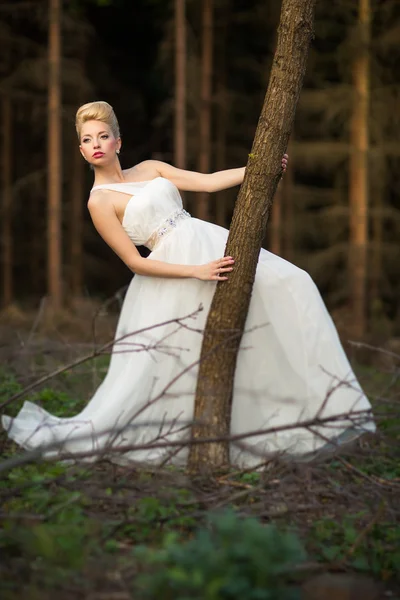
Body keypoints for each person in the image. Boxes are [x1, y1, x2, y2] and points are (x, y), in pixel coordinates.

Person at [2, 101, 375, 466]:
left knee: (293, 282)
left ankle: (325, 405)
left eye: (103, 135)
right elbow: (135, 262)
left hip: (206, 238)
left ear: (118, 141)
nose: (96, 144)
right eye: (87, 139)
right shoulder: (98, 202)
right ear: (82, 150)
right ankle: (207, 439)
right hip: (175, 272)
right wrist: (195, 272)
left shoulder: (149, 168)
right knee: (193, 356)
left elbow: (208, 183)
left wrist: (259, 169)